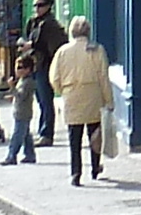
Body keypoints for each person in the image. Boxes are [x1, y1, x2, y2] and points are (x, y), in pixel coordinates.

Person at [50, 25, 116, 184]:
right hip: (92, 95)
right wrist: (109, 100)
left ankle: (75, 172)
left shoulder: (63, 51)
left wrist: (62, 91)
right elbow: (103, 77)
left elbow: (54, 77)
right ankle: (95, 167)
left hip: (71, 95)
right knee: (95, 135)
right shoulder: (97, 50)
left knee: (75, 138)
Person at [6, 0, 67, 164]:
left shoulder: (50, 24)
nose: (37, 8)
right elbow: (30, 39)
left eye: (40, 5)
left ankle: (47, 133)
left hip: (44, 65)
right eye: (35, 5)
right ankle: (38, 136)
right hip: (33, 64)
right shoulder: (33, 22)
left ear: (48, 6)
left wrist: (31, 45)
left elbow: (47, 45)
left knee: (46, 99)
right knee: (38, 99)